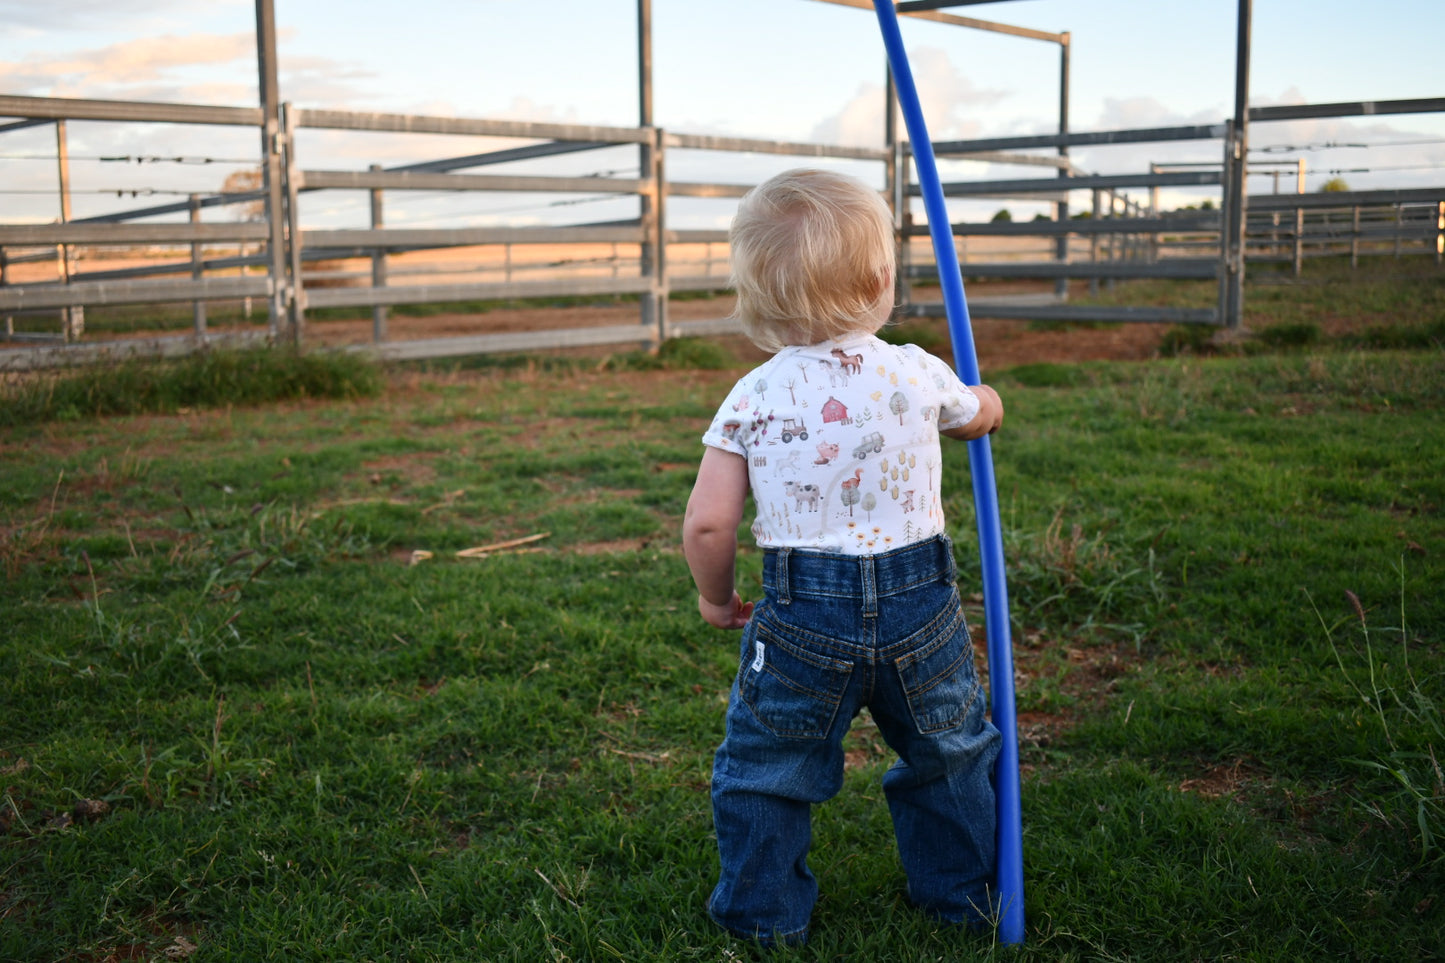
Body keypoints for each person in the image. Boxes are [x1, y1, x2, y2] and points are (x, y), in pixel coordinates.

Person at [683, 168, 1005, 947]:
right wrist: (987, 400)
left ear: (754, 292)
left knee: (766, 767)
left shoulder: (752, 394)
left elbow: (708, 525)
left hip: (801, 616)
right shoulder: (918, 368)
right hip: (920, 600)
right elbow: (977, 413)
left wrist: (714, 597)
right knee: (949, 752)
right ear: (880, 278)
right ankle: (961, 897)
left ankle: (763, 918)